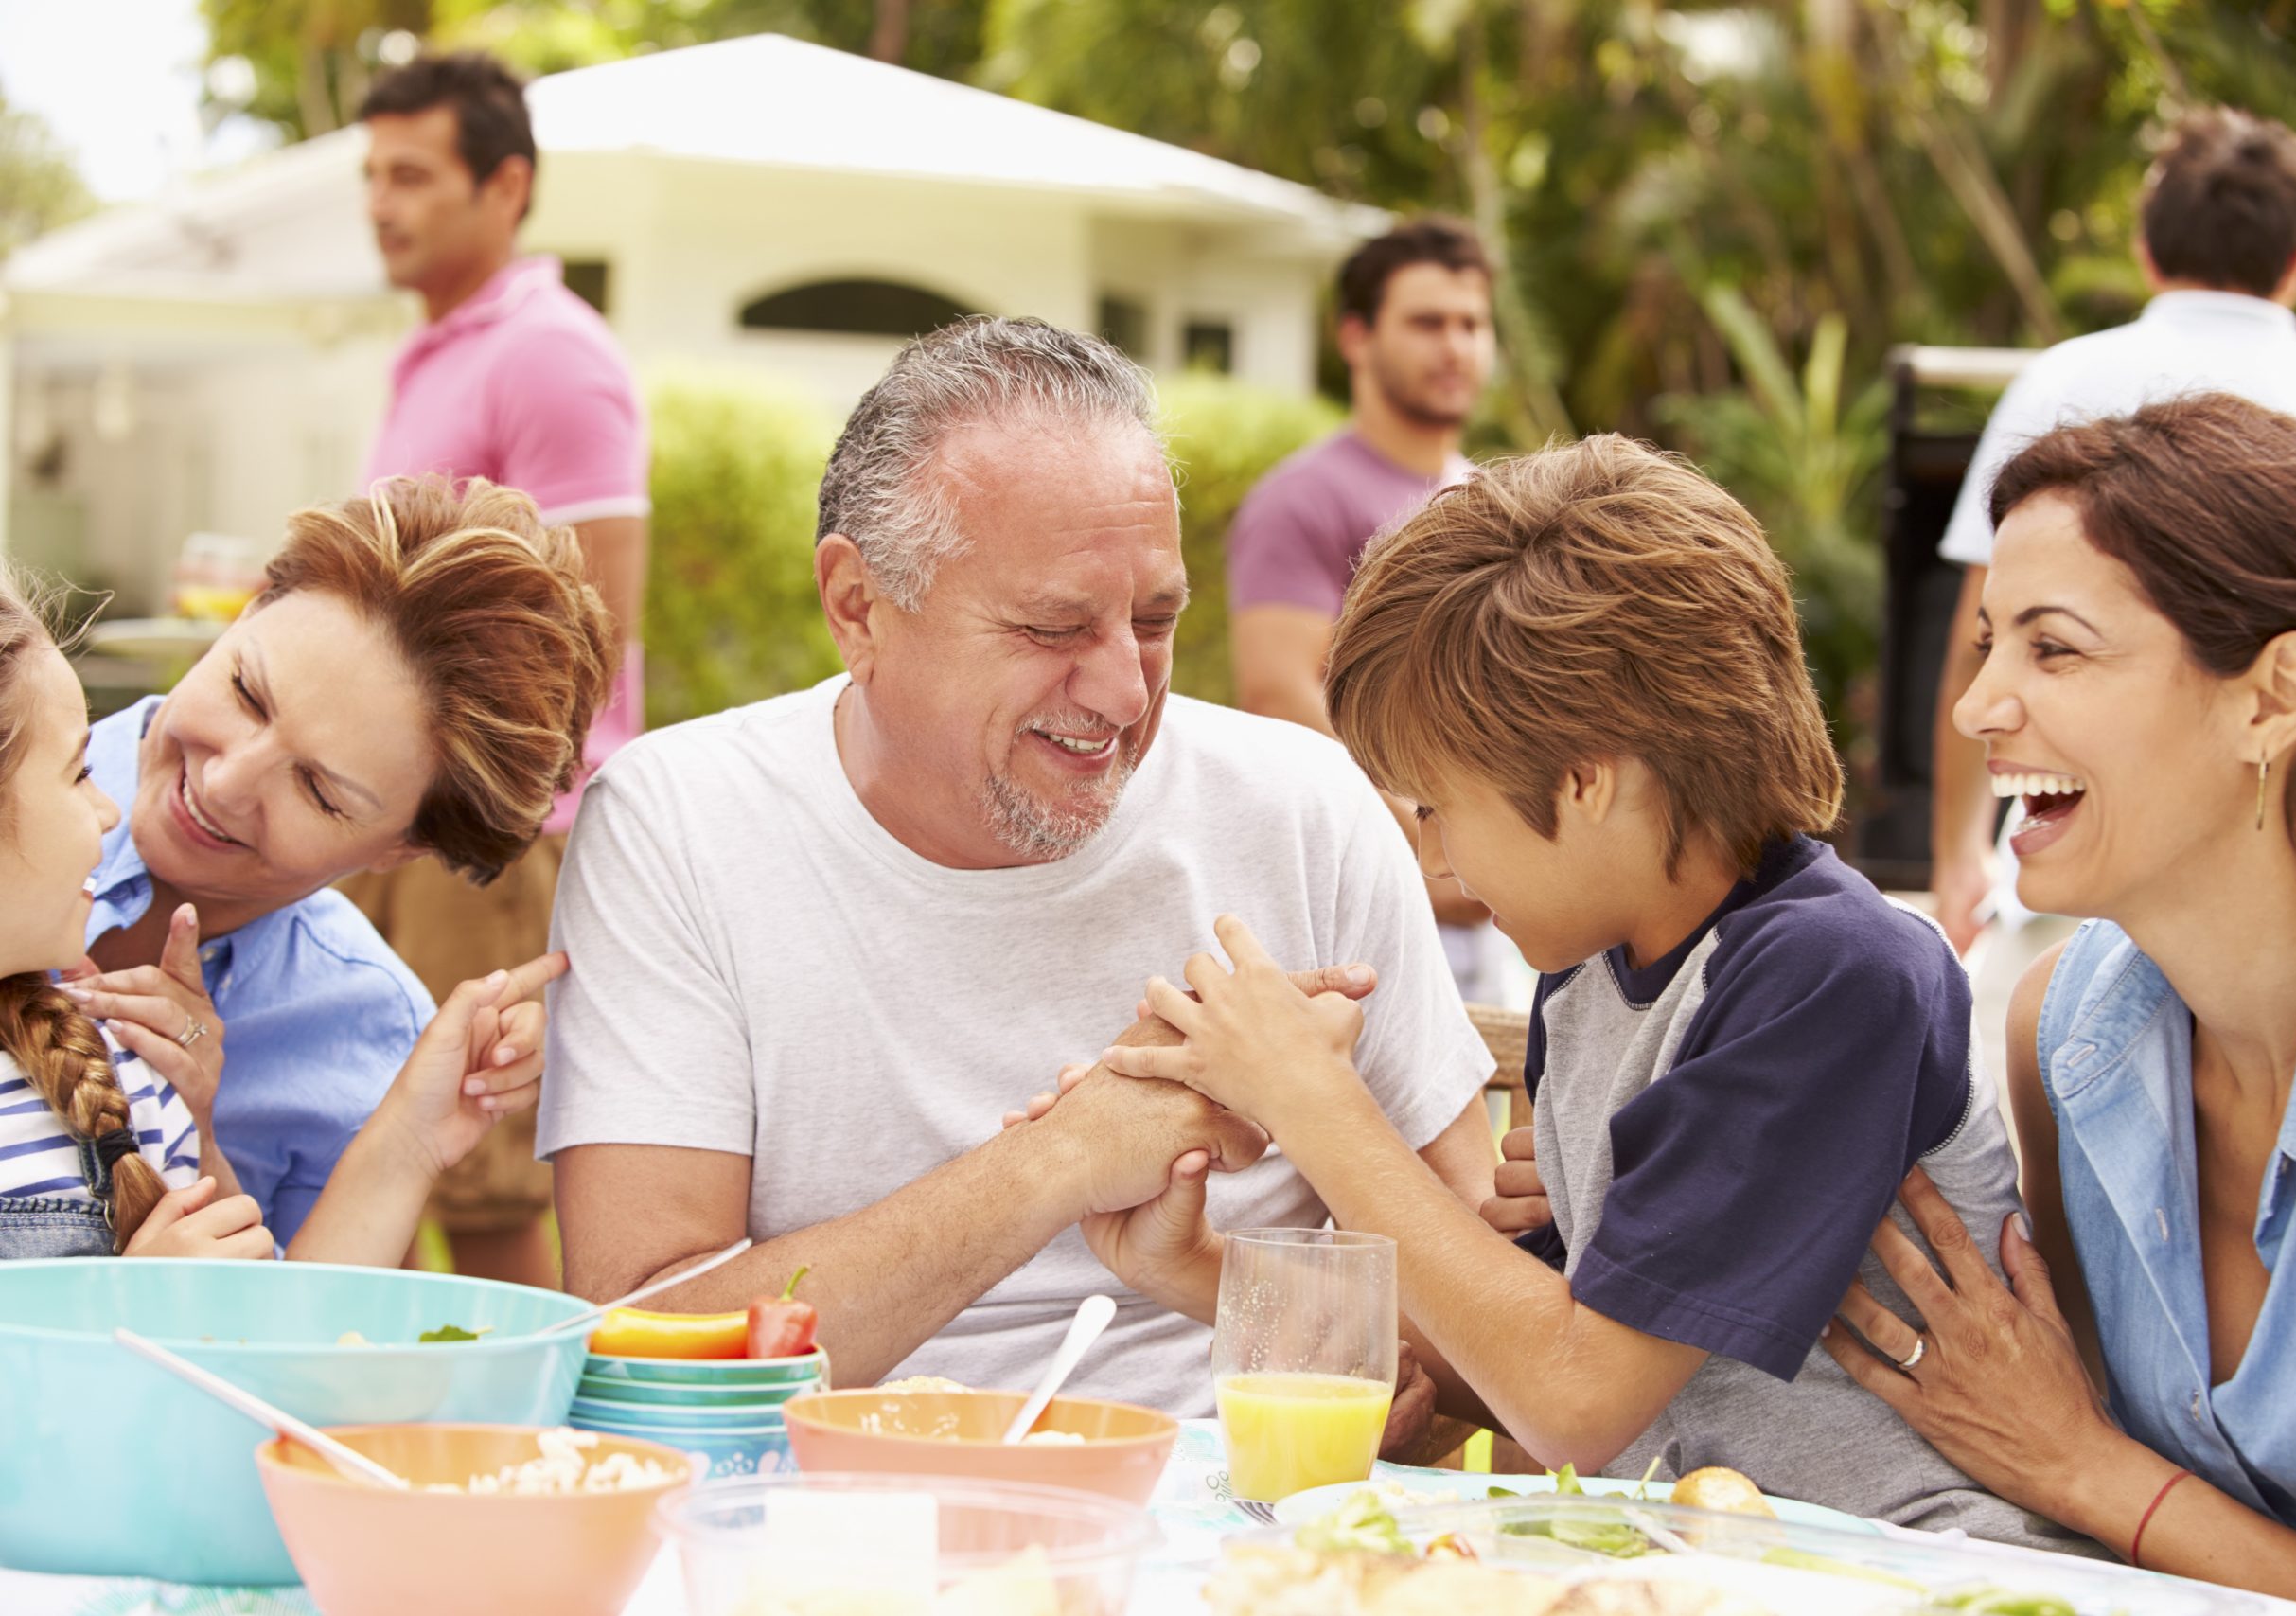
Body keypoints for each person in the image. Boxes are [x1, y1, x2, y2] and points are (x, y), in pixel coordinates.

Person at [1060, 435, 2078, 1546]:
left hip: (1914, 1559)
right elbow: (1515, 1365)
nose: (1435, 856)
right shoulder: (1591, 976)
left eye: (1440, 807)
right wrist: (1196, 1267)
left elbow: (1574, 1401)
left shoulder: (1834, 975)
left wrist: (1316, 1102)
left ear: (1585, 780)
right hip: (1689, 1557)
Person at [542, 316, 1495, 1415]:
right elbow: (645, 1356)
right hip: (828, 1519)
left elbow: (1488, 1337)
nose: (1125, 694)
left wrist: (1319, 1203)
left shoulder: (1302, 808)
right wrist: (1058, 1161)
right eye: (1052, 629)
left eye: (1155, 619)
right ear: (859, 607)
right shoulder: (680, 823)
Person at [1825, 395, 2296, 1611]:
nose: (1977, 706)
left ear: (2269, 699)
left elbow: (2075, 1463)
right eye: (1988, 641)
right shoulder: (2061, 1038)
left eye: (2053, 648)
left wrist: (2089, 1472)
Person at [66, 475, 616, 1248]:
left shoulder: (362, 1030)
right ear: (249, 611)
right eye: (246, 692)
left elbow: (295, 1351)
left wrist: (196, 1143)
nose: (224, 783)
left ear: (402, 847)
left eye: (319, 789)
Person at [1929, 107, 2296, 956]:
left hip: (2062, 897)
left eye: (2053, 645)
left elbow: (1979, 635)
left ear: (2148, 252)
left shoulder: (2057, 386)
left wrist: (1957, 855)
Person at [339, 49, 650, 1287]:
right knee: (381, 1145)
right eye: (372, 173)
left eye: (412, 173)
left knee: (481, 1181)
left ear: (505, 184)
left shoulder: (550, 354)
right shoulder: (438, 349)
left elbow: (598, 621)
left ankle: (516, 1458)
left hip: (489, 826)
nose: (381, 200)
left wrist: (475, 809)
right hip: (395, 819)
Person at [1226, 217, 1501, 995]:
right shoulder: (1303, 499)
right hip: (1368, 901)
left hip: (1497, 898)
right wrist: (1426, 841)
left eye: (1472, 324)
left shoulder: (1490, 498)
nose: (1455, 346)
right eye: (1426, 322)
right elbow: (1279, 693)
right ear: (1355, 337)